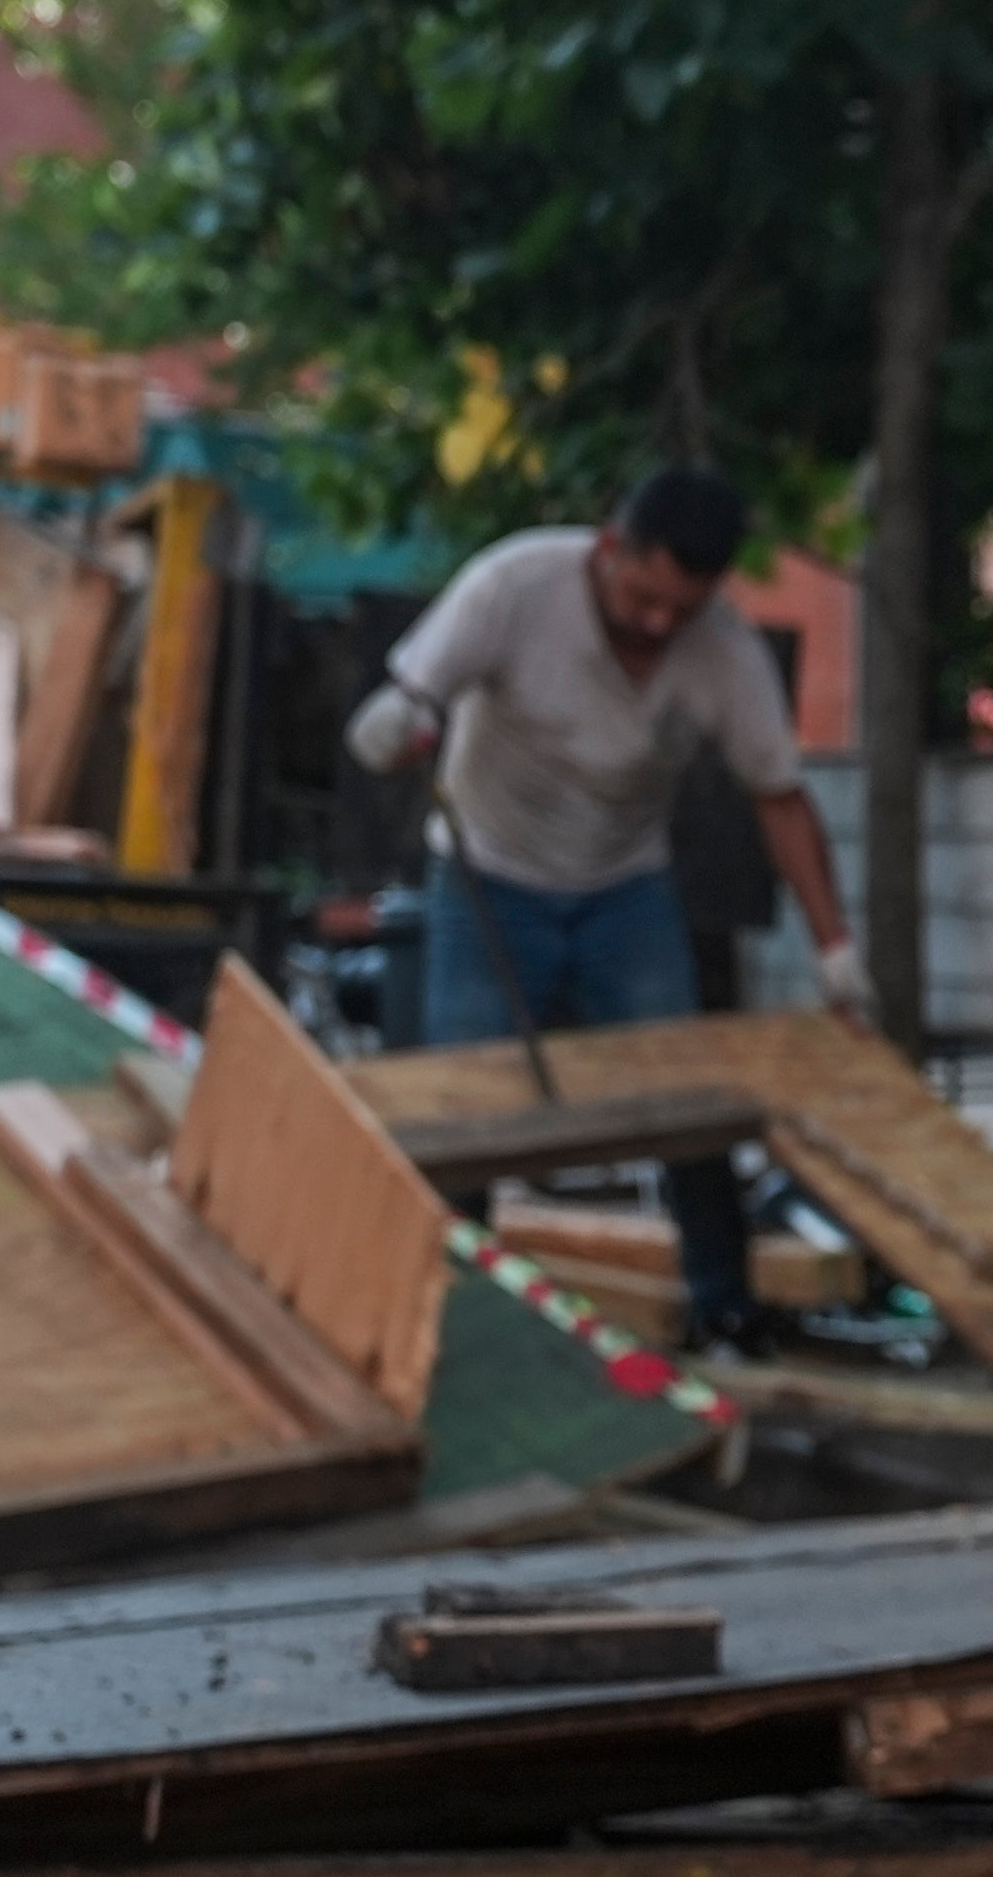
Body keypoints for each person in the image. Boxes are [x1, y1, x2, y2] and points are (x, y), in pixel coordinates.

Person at [346, 466, 864, 1351]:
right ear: (609, 546)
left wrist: (835, 948)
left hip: (625, 889)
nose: (660, 623)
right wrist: (391, 723)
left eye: (683, 608)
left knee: (686, 1102)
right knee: (469, 1102)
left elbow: (779, 797)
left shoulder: (724, 652)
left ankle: (724, 1303)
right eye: (643, 597)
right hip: (489, 877)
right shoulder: (512, 587)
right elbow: (414, 696)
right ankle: (448, 1313)